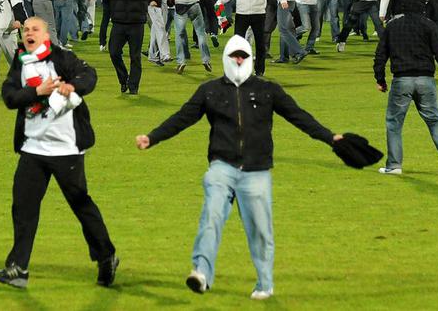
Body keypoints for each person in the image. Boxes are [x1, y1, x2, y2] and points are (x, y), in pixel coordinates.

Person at [135, 35, 343, 300]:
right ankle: (201, 272)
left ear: (250, 58)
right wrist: (152, 137)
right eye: (234, 55)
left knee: (260, 231)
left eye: (243, 55)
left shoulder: (268, 90)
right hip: (221, 167)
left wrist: (330, 138)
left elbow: (299, 117)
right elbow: (182, 118)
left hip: (257, 171)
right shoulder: (209, 90)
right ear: (226, 58)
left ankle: (265, 283)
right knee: (211, 217)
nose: (239, 60)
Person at [0, 17, 118, 289]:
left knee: (80, 204)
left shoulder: (61, 58)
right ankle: (18, 268)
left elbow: (89, 75)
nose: (29, 33)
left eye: (35, 29)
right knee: (23, 207)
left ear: (46, 36)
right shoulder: (21, 62)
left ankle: (106, 256)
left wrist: (73, 86)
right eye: (26, 29)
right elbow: (9, 97)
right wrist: (38, 91)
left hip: (65, 148)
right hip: (33, 149)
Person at [373, 0, 438, 175]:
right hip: (425, 79)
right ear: (423, 4)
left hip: (401, 79)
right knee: (435, 120)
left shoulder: (393, 26)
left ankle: (394, 165)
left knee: (394, 124)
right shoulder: (429, 25)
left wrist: (380, 79)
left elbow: (380, 55)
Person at [80, 0, 165, 93]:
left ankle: (133, 87)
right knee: (114, 52)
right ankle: (123, 78)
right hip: (119, 24)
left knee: (135, 57)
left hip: (136, 24)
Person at [216, 0, 287, 76]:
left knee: (260, 44)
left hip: (258, 13)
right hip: (242, 13)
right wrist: (220, 1)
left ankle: (259, 70)